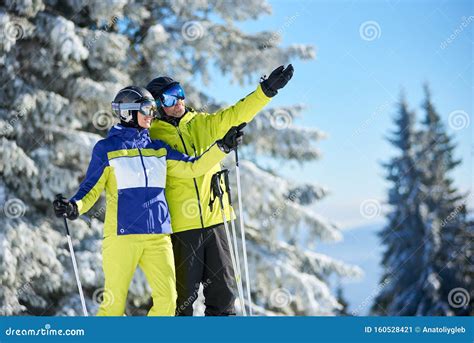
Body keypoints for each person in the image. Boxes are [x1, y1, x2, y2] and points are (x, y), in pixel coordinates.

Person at [52, 86, 245, 316]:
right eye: (146, 109)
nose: (151, 114)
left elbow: (195, 166)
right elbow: (90, 188)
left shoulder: (158, 149)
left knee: (168, 302)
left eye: (153, 109)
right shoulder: (108, 149)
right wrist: (75, 206)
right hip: (122, 236)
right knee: (113, 304)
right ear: (127, 112)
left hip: (157, 237)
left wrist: (221, 147)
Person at [146, 65, 294, 315]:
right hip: (181, 228)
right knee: (181, 301)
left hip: (215, 221)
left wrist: (266, 91)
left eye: (179, 92)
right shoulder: (153, 136)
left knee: (224, 294)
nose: (178, 101)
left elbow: (237, 114)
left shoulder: (203, 124)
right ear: (158, 106)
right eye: (169, 98)